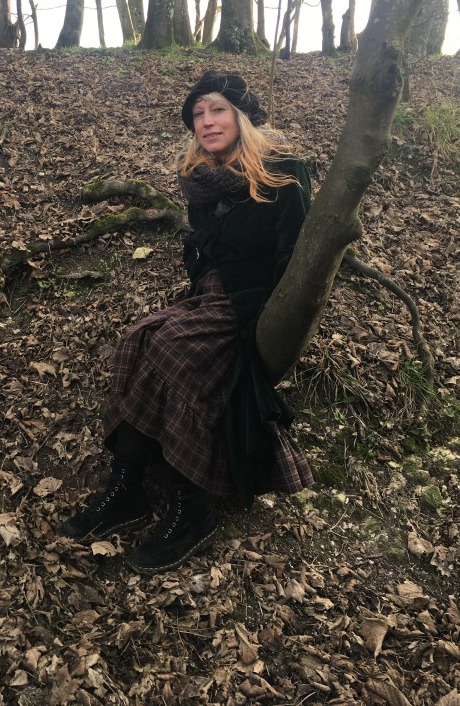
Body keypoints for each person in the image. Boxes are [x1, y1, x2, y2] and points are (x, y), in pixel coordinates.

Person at [60, 70, 313, 574]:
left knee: (176, 349)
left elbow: (298, 261)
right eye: (197, 114)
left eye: (216, 109)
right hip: (210, 297)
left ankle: (192, 507)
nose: (206, 121)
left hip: (256, 302)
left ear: (240, 117)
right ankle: (127, 486)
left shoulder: (284, 172)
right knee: (138, 339)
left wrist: (268, 320)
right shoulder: (201, 184)